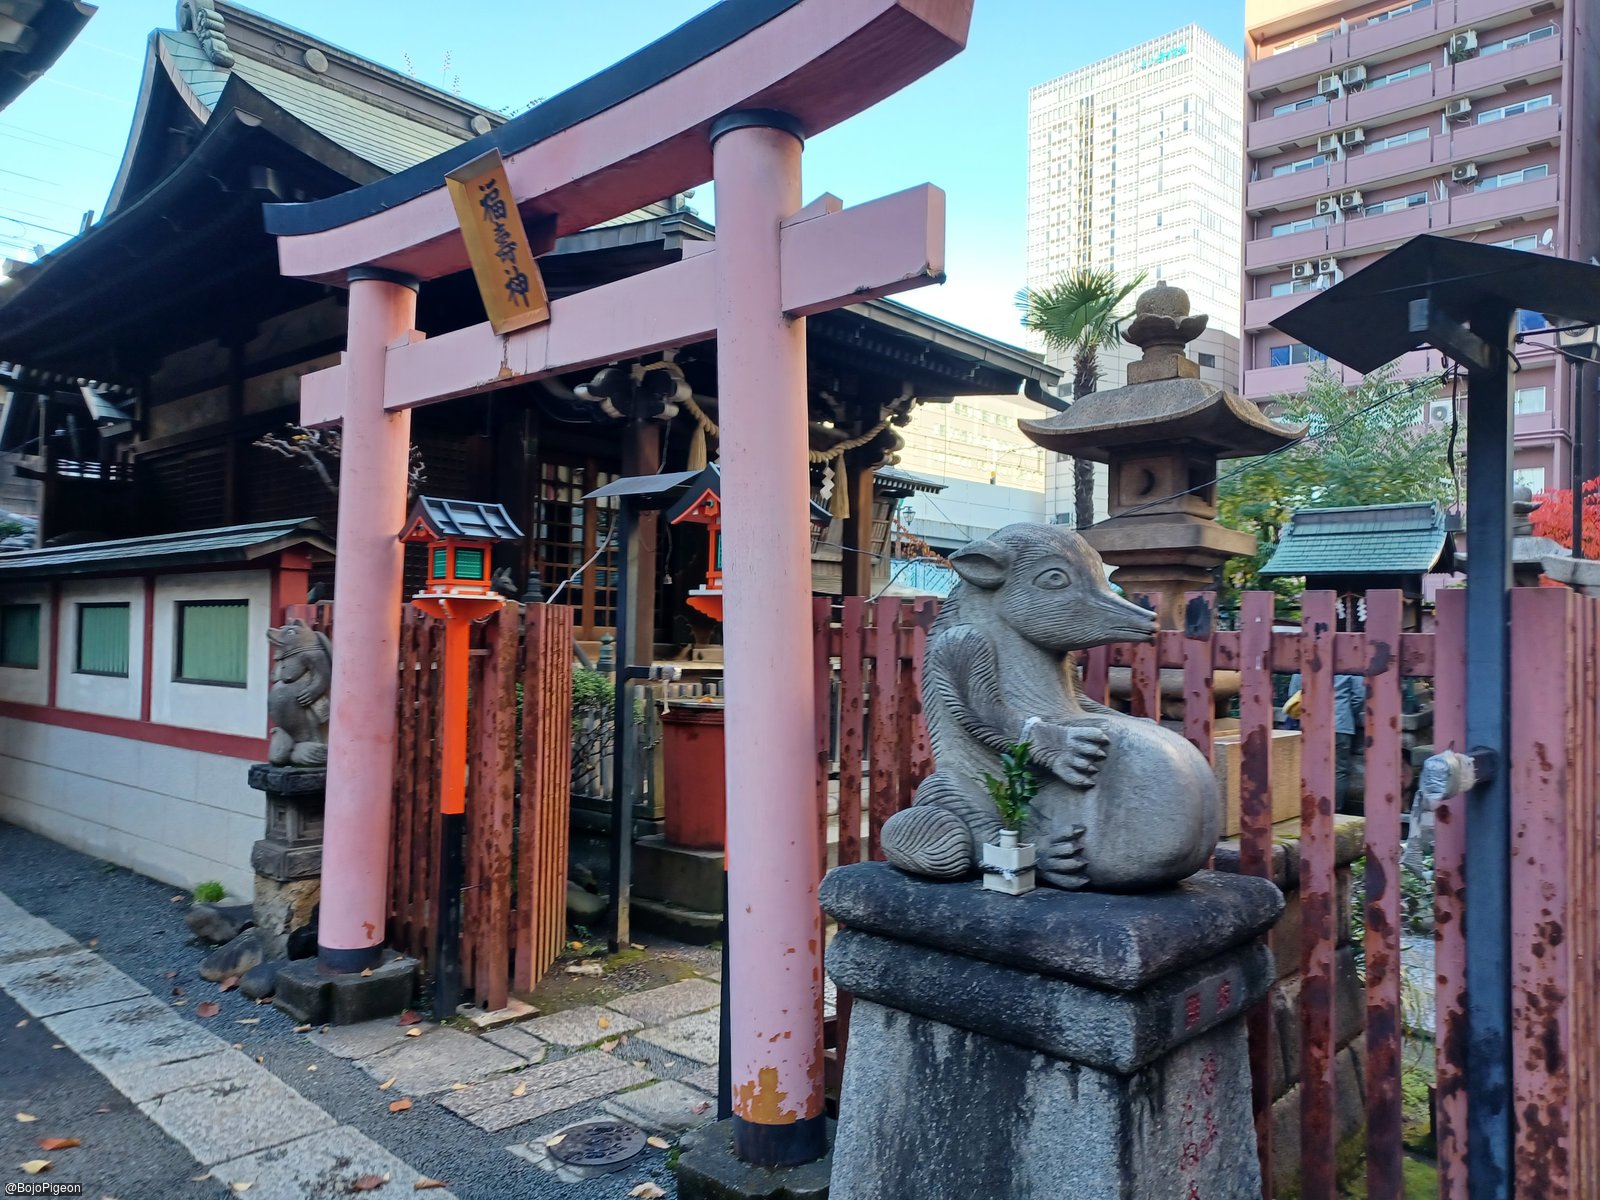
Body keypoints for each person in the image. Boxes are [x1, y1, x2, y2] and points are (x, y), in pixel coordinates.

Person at [1283, 671, 1367, 813]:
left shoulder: (1306, 655)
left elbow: (1294, 693)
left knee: (1311, 769)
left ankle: (1311, 811)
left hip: (1312, 724)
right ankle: (1335, 813)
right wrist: (1345, 714)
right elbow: (1359, 695)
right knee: (1339, 771)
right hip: (1341, 725)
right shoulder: (1351, 660)